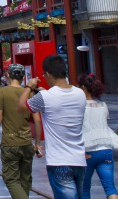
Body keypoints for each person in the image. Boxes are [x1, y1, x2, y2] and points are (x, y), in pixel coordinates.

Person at [20, 55, 87, 199]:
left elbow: (21, 107)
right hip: (79, 160)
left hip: (58, 161)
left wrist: (29, 86)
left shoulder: (46, 97)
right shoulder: (80, 94)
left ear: (48, 74)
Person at [0, 64, 43, 199]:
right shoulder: (29, 93)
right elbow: (37, 120)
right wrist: (37, 143)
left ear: (8, 75)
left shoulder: (2, 92)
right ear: (23, 76)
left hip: (10, 143)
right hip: (26, 143)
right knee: (25, 179)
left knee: (11, 179)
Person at [79, 74, 118, 199]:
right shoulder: (103, 105)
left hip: (87, 150)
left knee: (84, 188)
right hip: (106, 148)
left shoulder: (80, 106)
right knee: (110, 188)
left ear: (83, 87)